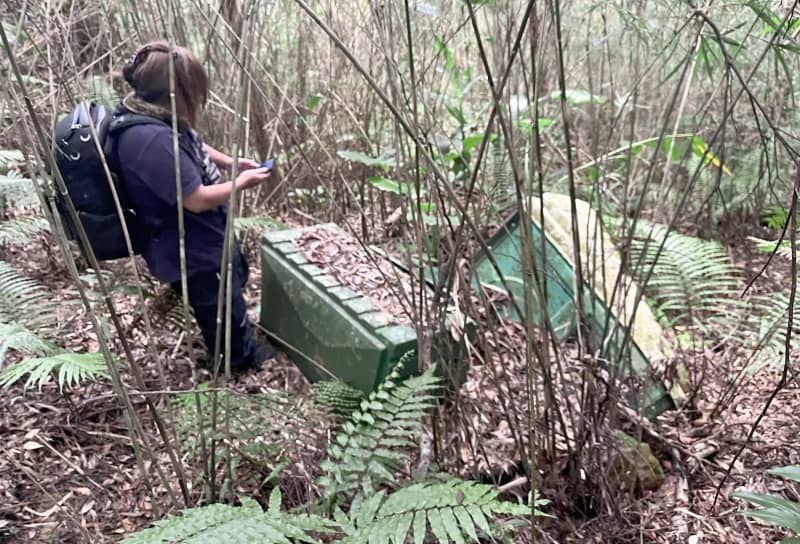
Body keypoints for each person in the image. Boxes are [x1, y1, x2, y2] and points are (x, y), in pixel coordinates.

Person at [112, 41, 273, 373]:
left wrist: (231, 163)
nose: (198, 100)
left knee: (229, 292)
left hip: (206, 236)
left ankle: (238, 342)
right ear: (176, 92)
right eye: (194, 91)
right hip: (190, 247)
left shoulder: (153, 114)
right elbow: (195, 199)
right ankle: (236, 364)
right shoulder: (149, 140)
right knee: (219, 307)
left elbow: (192, 143)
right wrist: (241, 184)